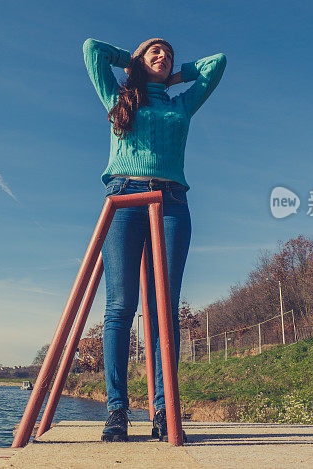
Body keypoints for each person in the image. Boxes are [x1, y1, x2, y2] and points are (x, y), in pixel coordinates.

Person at [82, 37, 226, 441]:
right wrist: (133, 66)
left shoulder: (181, 104)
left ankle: (163, 410)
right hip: (124, 199)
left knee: (164, 310)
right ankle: (116, 412)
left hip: (172, 202)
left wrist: (174, 75)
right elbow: (92, 49)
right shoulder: (117, 97)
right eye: (155, 52)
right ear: (140, 60)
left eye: (170, 54)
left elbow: (218, 61)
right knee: (120, 307)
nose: (164, 56)